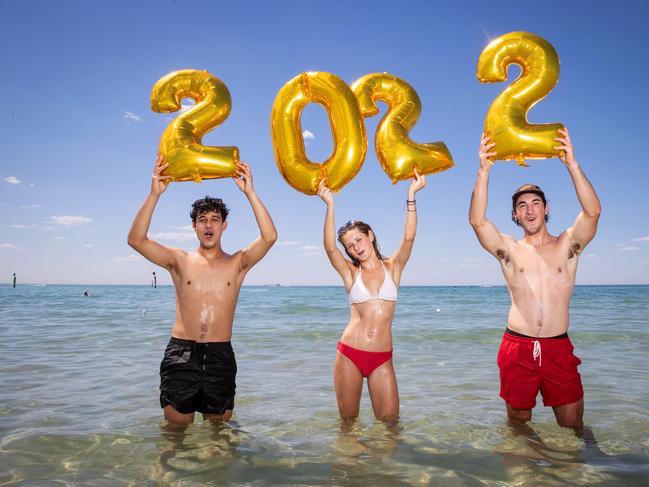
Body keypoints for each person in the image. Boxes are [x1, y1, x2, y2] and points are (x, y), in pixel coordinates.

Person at [128, 155, 277, 426]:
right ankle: (165, 468)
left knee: (218, 435)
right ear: (194, 226)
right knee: (175, 433)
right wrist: (154, 194)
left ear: (224, 226)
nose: (208, 225)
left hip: (220, 355)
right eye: (202, 219)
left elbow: (270, 237)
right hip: (181, 353)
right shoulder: (179, 261)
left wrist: (250, 193)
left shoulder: (237, 263)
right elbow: (136, 240)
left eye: (215, 219)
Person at [469, 128, 601, 432]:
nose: (529, 210)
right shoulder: (509, 249)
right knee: (518, 422)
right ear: (515, 215)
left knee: (572, 423)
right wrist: (484, 171)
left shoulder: (568, 245)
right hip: (517, 347)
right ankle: (528, 473)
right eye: (522, 205)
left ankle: (575, 471)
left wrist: (572, 164)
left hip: (557, 347)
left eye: (535, 203)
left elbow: (592, 212)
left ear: (546, 208)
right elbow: (477, 221)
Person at [317, 171, 426, 424]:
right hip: (349, 355)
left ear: (371, 235)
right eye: (350, 245)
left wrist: (411, 195)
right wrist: (330, 205)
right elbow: (330, 248)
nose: (356, 247)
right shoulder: (350, 273)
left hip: (382, 358)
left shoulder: (393, 267)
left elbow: (409, 237)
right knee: (348, 424)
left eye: (358, 239)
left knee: (390, 425)